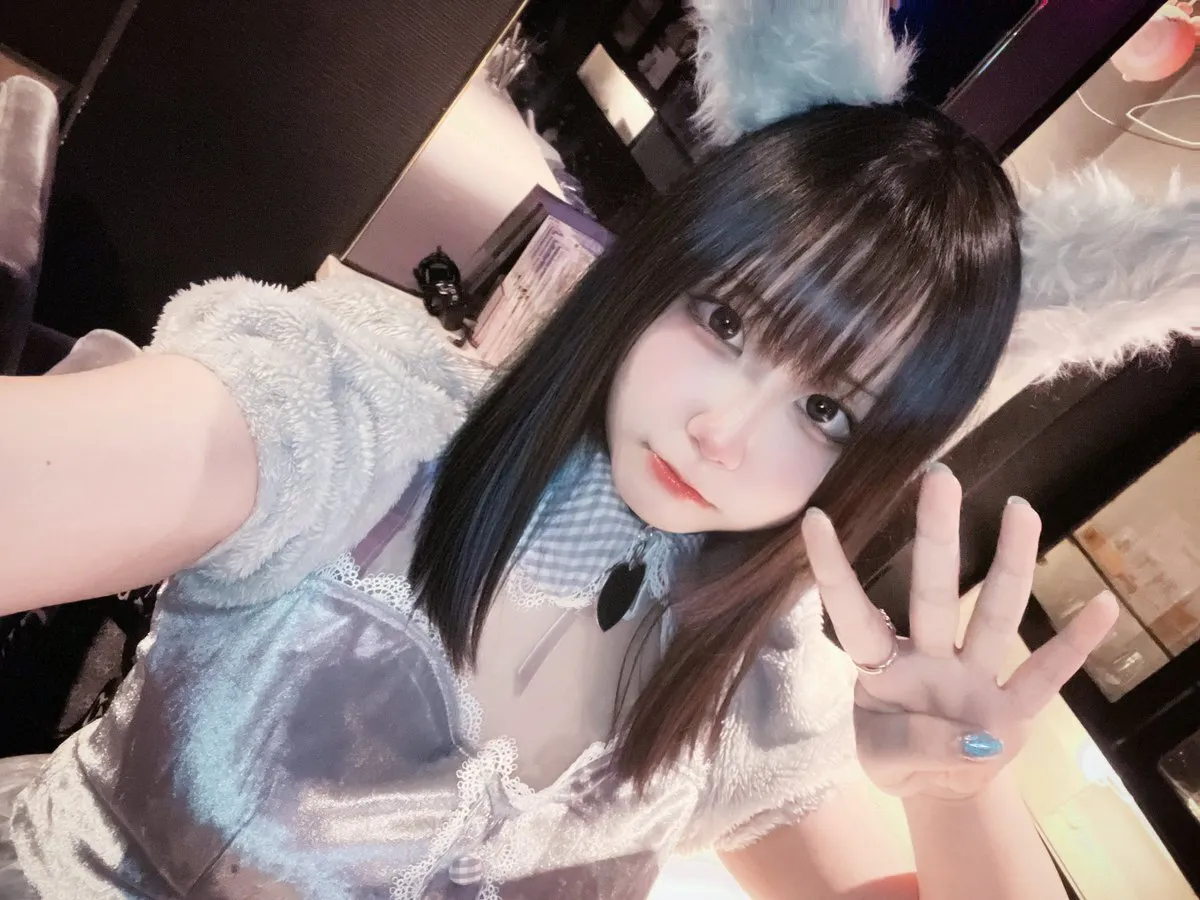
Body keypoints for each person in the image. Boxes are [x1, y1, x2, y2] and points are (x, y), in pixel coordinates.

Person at [2, 1, 1196, 897]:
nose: (723, 432)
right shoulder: (353, 418)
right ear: (659, 264)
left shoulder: (746, 686)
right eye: (727, 320)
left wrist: (963, 793)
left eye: (828, 411)